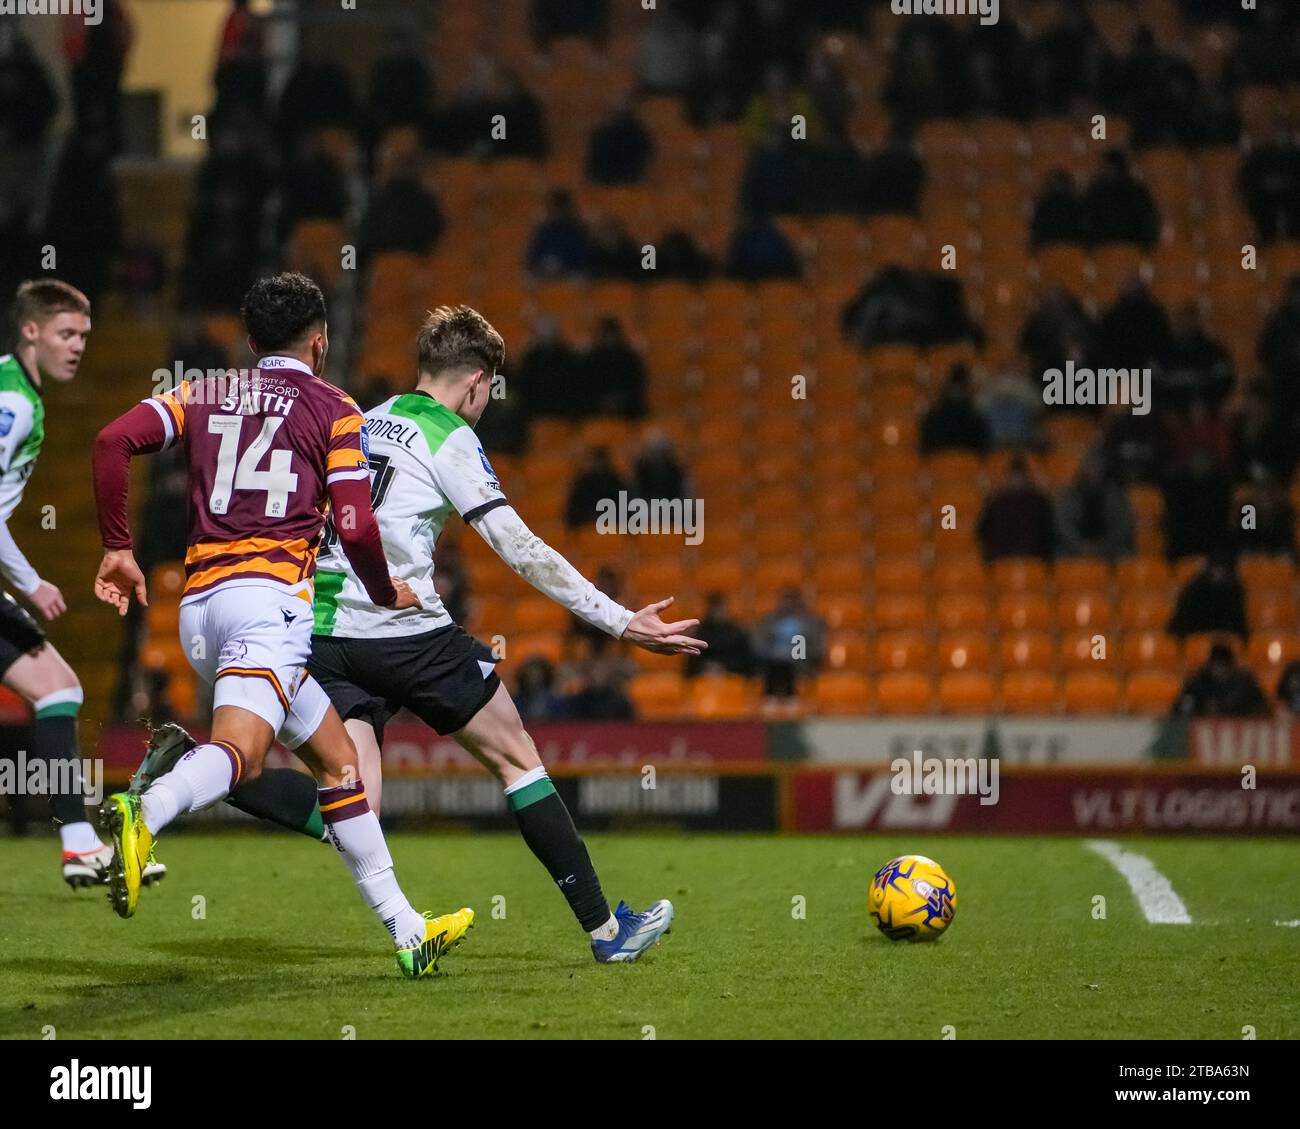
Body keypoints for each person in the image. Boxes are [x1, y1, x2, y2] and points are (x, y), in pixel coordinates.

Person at [132, 305, 705, 965]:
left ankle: (189, 771)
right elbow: (517, 546)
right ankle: (608, 932)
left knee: (356, 808)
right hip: (406, 632)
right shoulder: (449, 435)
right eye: (489, 389)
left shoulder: (358, 416)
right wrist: (620, 619)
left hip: (322, 632)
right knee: (518, 760)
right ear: (476, 382)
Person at [91, 273, 468, 979]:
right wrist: (385, 591)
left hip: (202, 608)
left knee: (339, 764)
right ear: (319, 343)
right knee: (245, 753)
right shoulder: (334, 406)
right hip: (271, 606)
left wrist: (118, 546)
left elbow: (112, 441)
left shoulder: (202, 391)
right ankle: (150, 807)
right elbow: (355, 523)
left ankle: (408, 930)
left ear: (251, 339)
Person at [0, 280, 116, 888]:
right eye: (66, 335)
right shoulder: (13, 403)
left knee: (57, 689)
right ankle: (76, 841)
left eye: (83, 337)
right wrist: (32, 583)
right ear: (31, 331)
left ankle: (77, 843)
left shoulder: (15, 391)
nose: (76, 347)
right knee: (57, 689)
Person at [1173, 643, 1270, 717]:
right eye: (1215, 665)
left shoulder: (1245, 682)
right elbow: (1180, 708)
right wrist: (1202, 709)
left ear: (1231, 666)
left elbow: (1263, 708)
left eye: (1222, 665)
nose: (1218, 670)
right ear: (1209, 665)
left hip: (1238, 730)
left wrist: (1233, 711)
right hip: (1203, 733)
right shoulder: (1198, 681)